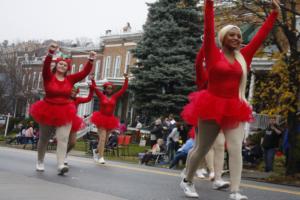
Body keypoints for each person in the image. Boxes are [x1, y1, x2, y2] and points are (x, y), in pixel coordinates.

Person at [180, 0, 280, 199]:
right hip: (211, 105)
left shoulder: (244, 56)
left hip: (234, 107)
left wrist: (274, 15)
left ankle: (235, 191)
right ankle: (187, 180)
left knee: (235, 149)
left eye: (239, 35)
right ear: (223, 38)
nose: (236, 38)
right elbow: (208, 28)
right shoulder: (213, 53)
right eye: (232, 35)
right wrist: (209, 4)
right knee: (201, 149)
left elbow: (260, 37)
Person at [29, 43, 95, 175]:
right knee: (44, 138)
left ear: (67, 68)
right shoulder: (48, 77)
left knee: (63, 138)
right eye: (60, 64)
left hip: (65, 111)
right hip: (47, 109)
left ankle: (60, 164)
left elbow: (84, 73)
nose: (63, 66)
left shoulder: (70, 80)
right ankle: (40, 161)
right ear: (56, 65)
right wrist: (50, 53)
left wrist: (91, 60)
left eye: (65, 65)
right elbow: (46, 67)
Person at [91, 73, 128, 164]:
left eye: (111, 88)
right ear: (105, 89)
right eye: (108, 88)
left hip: (110, 120)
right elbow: (95, 88)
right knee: (102, 138)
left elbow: (123, 89)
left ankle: (96, 151)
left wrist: (126, 79)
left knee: (106, 140)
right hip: (101, 118)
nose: (110, 90)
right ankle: (101, 157)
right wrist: (92, 80)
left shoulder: (114, 97)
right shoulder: (101, 96)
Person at [64, 80, 95, 164]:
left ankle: (64, 154)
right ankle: (62, 156)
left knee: (73, 143)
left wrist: (91, 89)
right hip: (64, 121)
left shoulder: (77, 100)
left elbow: (89, 98)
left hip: (73, 122)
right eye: (72, 91)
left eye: (75, 91)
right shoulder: (64, 99)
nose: (73, 93)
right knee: (64, 140)